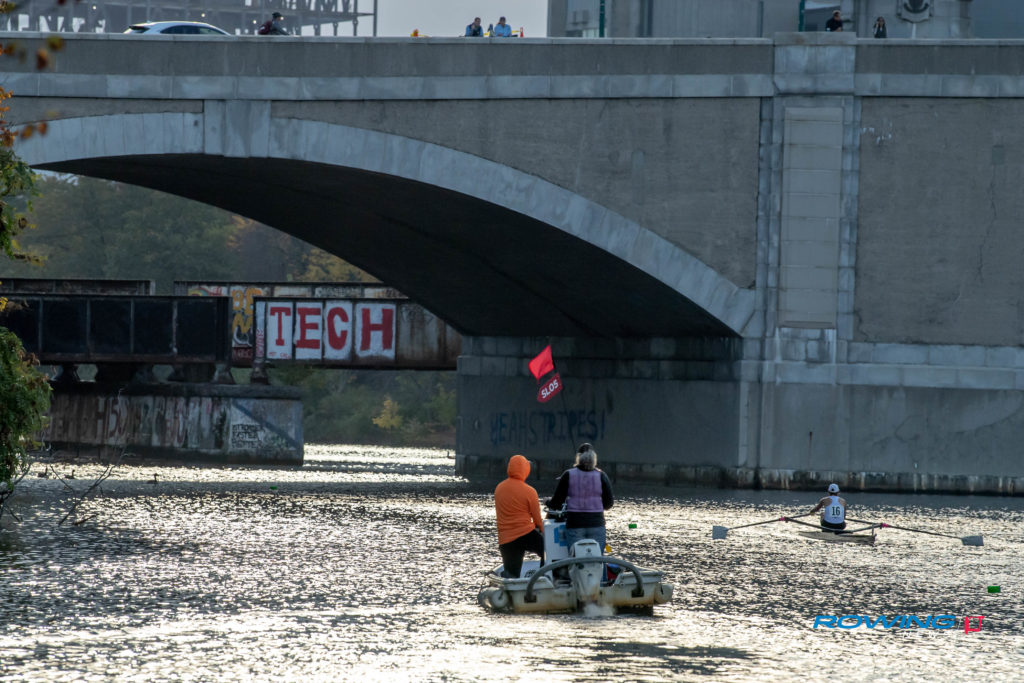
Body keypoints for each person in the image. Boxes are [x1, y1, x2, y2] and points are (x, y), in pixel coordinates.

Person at [547, 443, 614, 553]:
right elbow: (608, 504)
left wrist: (548, 502)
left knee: (576, 558)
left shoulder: (568, 474)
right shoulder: (601, 475)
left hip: (575, 524)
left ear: (578, 457)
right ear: (594, 458)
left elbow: (557, 503)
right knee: (597, 558)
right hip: (597, 524)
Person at [494, 454, 545, 579]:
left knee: (512, 574)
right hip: (526, 534)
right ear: (525, 470)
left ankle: (508, 584)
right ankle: (543, 577)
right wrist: (543, 531)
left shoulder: (499, 488)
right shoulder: (530, 491)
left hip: (506, 539)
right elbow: (537, 519)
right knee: (547, 551)